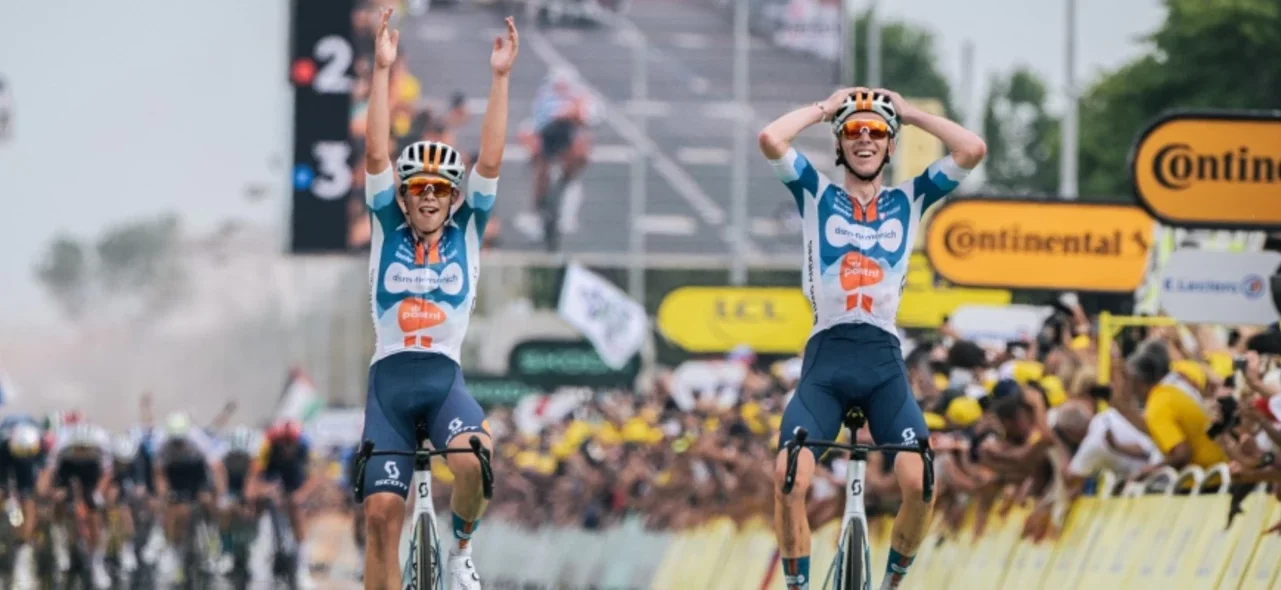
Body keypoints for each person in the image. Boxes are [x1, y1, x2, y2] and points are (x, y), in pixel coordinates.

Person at [758, 87, 985, 590]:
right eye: (854, 131)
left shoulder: (912, 197)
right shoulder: (816, 192)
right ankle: (798, 585)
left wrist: (908, 112)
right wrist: (825, 107)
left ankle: (890, 584)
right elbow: (772, 138)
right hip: (827, 360)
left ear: (890, 144)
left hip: (883, 361)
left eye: (877, 131)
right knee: (789, 476)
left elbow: (971, 150)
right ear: (840, 144)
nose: (865, 138)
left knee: (920, 482)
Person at [358, 8, 518, 590]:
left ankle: (461, 551)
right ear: (403, 197)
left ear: (454, 198)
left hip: (443, 378)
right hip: (390, 385)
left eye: (440, 190)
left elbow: (493, 159)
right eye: (418, 189)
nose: (428, 198)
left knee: (474, 456)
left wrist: (500, 78)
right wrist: (382, 70)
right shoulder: (385, 227)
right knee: (379, 518)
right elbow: (377, 153)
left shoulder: (468, 231)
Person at [152, 412, 225, 583]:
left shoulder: (198, 440)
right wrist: (163, 495)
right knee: (173, 511)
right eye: (175, 441)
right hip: (176, 476)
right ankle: (175, 556)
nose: (178, 445)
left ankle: (213, 542)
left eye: (181, 441)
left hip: (198, 475)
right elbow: (159, 474)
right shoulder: (162, 444)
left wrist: (218, 495)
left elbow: (216, 469)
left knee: (209, 503)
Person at [526, 67, 593, 251]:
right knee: (540, 171)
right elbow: (535, 129)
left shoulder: (579, 97)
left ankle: (566, 200)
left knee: (577, 161)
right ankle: (538, 211)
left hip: (569, 142)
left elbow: (587, 123)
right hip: (548, 141)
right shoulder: (545, 97)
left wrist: (574, 112)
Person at [40, 420, 113, 588]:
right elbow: (49, 473)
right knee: (60, 501)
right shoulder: (61, 447)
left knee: (94, 513)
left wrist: (98, 494)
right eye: (78, 449)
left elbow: (107, 474)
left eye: (85, 449)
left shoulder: (100, 446)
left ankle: (96, 561)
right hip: (67, 469)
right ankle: (60, 540)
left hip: (90, 474)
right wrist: (49, 492)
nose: (81, 452)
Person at [248, 418, 314, 579]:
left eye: (290, 443)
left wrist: (301, 494)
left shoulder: (304, 447)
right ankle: (254, 551)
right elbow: (254, 475)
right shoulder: (267, 448)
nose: (287, 447)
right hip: (273, 478)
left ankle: (302, 569)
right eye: (283, 443)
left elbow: (315, 475)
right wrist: (261, 491)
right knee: (256, 504)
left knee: (297, 514)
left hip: (294, 480)